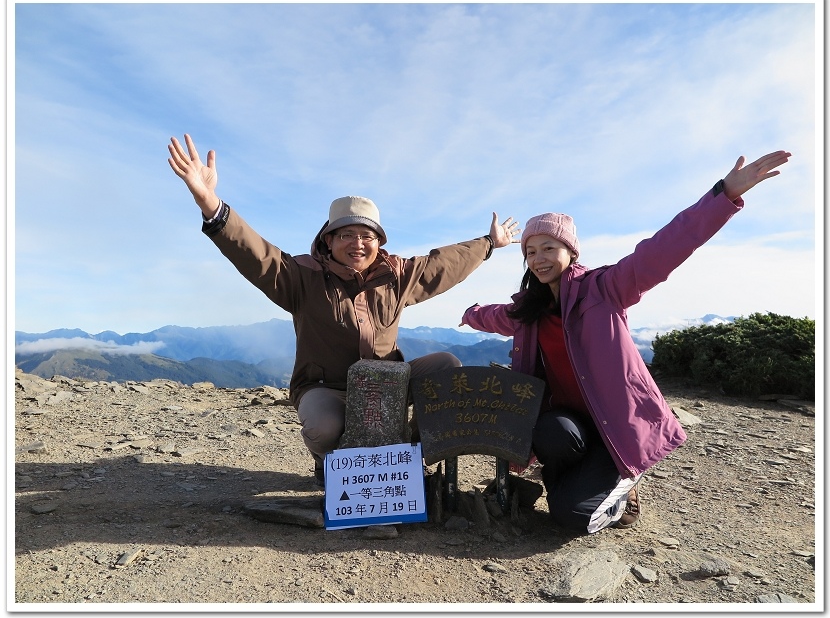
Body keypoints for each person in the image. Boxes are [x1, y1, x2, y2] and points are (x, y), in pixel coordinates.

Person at [459, 150, 792, 534]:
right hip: (571, 427)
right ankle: (577, 485)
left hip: (614, 425)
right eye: (530, 252)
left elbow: (664, 249)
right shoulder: (528, 310)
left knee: (572, 518)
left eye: (549, 247)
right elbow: (495, 316)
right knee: (549, 433)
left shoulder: (605, 289)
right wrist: (470, 312)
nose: (538, 258)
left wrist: (723, 195)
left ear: (570, 251)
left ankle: (623, 482)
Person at [167, 134, 521, 485]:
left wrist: (490, 243)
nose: (357, 243)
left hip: (388, 383)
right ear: (329, 240)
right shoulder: (301, 276)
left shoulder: (397, 276)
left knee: (447, 367)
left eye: (367, 236)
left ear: (378, 242)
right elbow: (257, 254)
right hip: (327, 386)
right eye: (346, 234)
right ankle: (331, 462)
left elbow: (444, 263)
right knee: (324, 429)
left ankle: (404, 454)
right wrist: (212, 206)